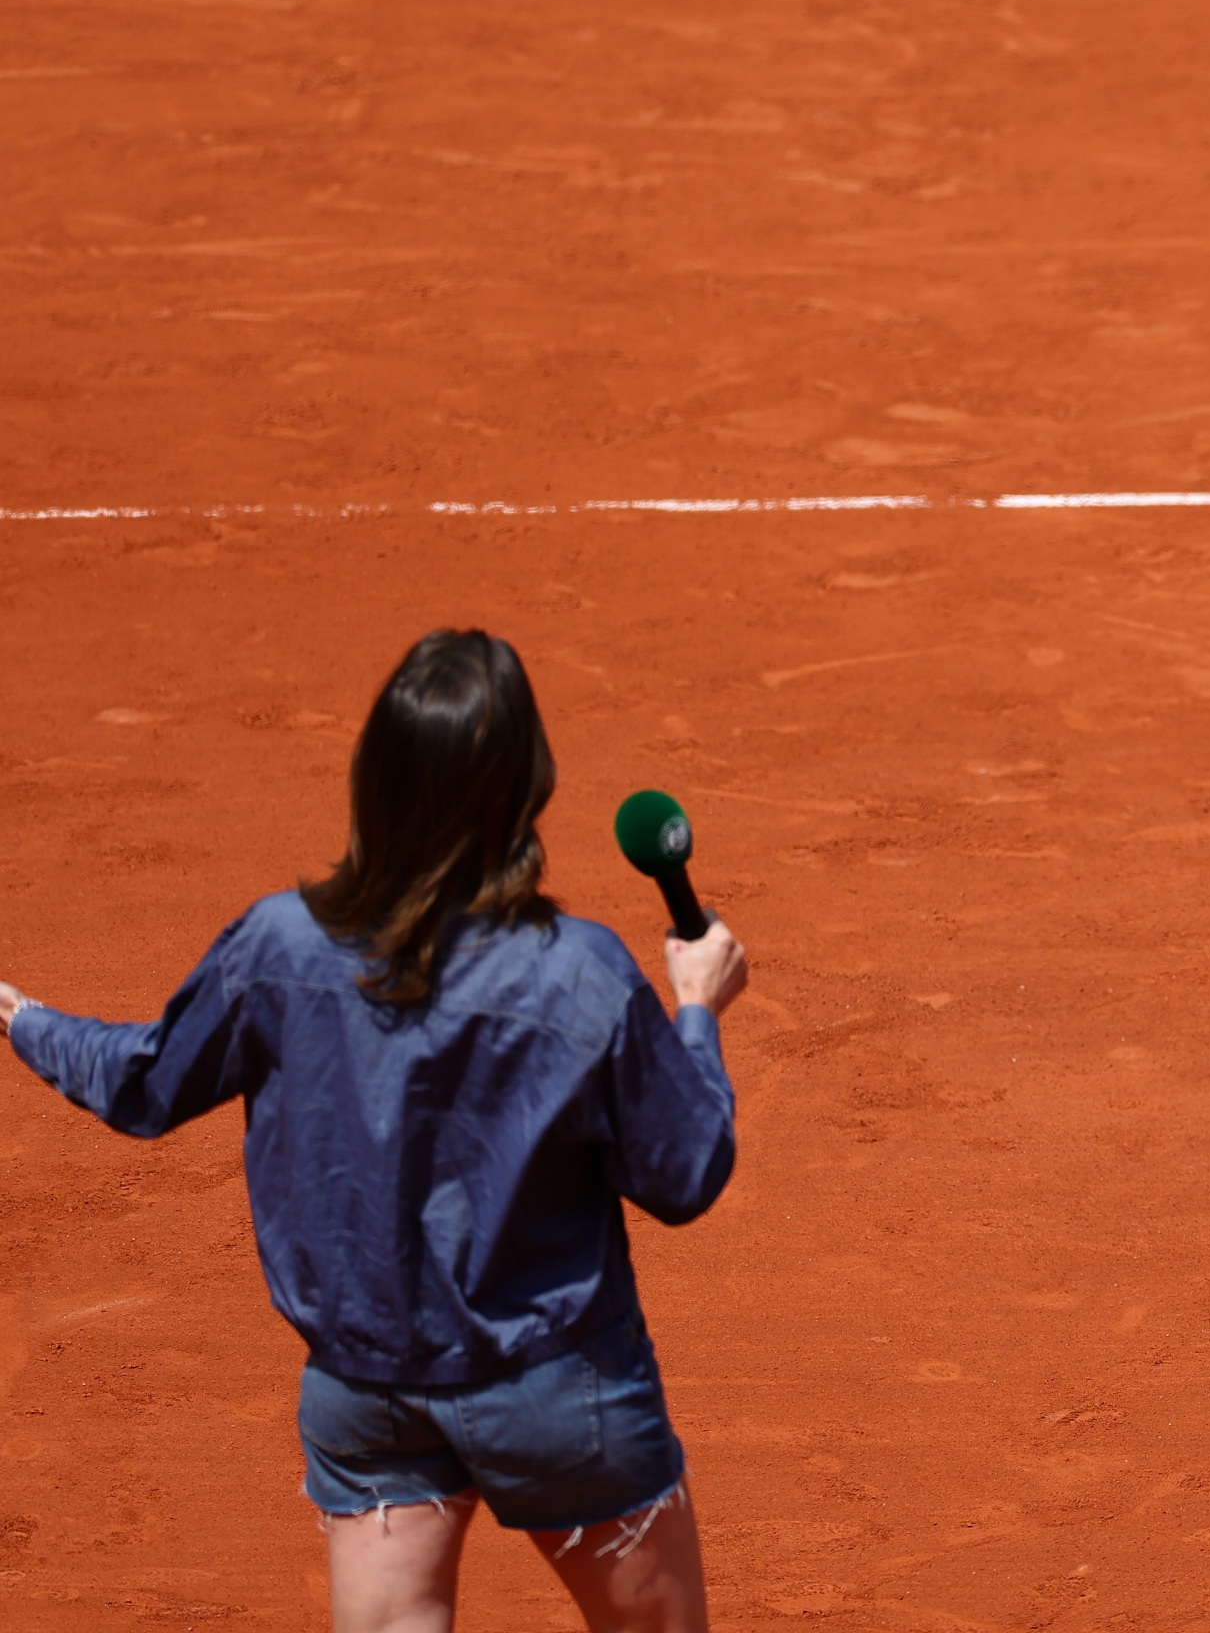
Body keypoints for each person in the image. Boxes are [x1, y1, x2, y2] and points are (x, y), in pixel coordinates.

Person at [0, 629, 748, 1633]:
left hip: (369, 1396)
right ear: (527, 789)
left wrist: (20, 1016)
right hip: (562, 1393)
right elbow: (685, 1169)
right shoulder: (578, 971)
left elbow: (143, 1082)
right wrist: (695, 1008)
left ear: (375, 780)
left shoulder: (276, 945)